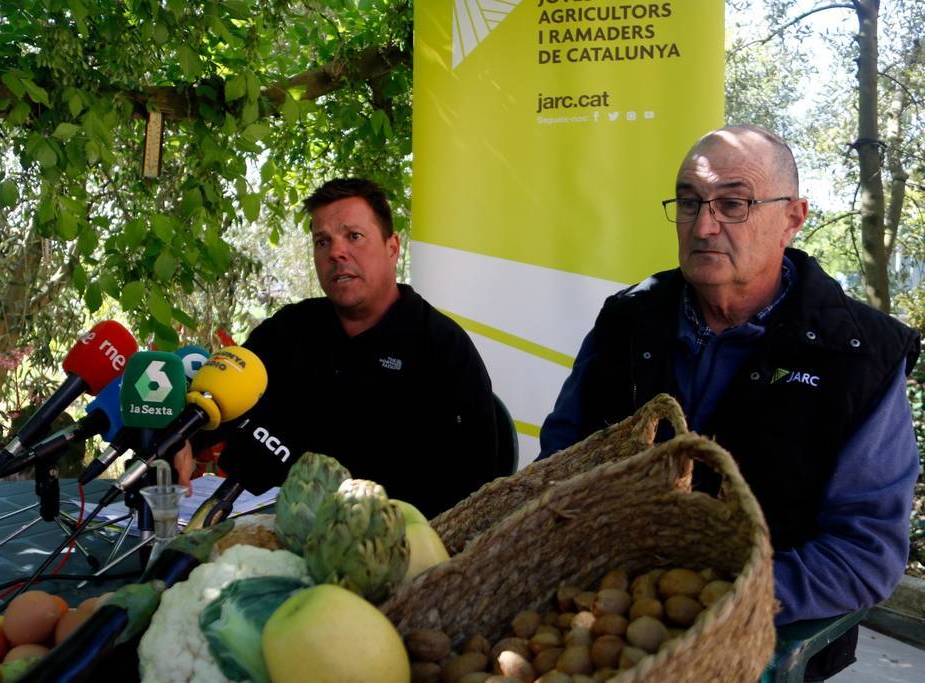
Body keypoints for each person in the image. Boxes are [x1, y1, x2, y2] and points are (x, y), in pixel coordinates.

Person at [539, 125, 920, 679]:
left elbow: (865, 552)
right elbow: (561, 462)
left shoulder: (860, 355)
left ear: (792, 218)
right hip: (609, 616)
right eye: (689, 202)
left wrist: (713, 600)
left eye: (733, 203)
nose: (704, 224)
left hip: (767, 634)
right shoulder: (627, 319)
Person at [178, 178, 500, 518]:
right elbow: (217, 408)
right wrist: (183, 440)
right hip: (258, 537)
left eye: (354, 236)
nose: (336, 252)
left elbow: (476, 493)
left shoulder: (445, 350)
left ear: (393, 248)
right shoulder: (288, 331)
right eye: (322, 241)